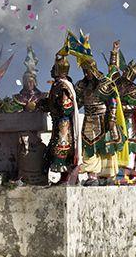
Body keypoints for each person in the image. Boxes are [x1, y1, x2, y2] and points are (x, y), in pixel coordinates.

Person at [75, 58, 124, 185]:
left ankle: (107, 176)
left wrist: (112, 118)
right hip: (88, 119)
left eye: (88, 71)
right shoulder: (82, 85)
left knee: (107, 148)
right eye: (84, 71)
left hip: (103, 119)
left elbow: (113, 101)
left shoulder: (104, 83)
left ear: (94, 69)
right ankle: (92, 176)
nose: (86, 74)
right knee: (89, 147)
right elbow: (78, 102)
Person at [39, 54, 81, 183]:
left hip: (64, 124)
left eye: (53, 68)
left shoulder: (64, 86)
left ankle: (66, 179)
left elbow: (66, 107)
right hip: (57, 122)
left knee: (62, 149)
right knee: (54, 149)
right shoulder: (57, 84)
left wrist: (54, 107)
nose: (51, 71)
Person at [109, 40, 136, 174]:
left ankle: (126, 172)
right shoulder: (116, 80)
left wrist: (122, 108)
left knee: (128, 144)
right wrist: (115, 51)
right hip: (114, 119)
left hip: (127, 121)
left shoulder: (135, 90)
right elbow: (112, 67)